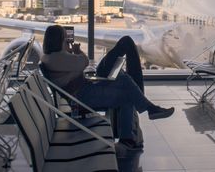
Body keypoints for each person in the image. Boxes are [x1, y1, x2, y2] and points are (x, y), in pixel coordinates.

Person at [40, 25, 174, 154]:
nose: (67, 40)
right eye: (65, 38)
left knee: (124, 78)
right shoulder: (58, 58)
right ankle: (146, 110)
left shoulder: (54, 57)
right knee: (126, 89)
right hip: (84, 96)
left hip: (85, 90)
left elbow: (77, 67)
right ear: (59, 40)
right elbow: (84, 62)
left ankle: (133, 133)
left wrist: (70, 52)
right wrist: (77, 51)